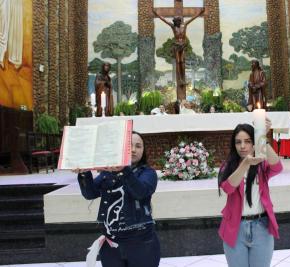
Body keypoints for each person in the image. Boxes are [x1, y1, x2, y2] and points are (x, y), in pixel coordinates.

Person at [74, 131, 160, 267]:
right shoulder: (106, 174)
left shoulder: (148, 173)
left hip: (141, 241)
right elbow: (90, 194)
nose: (133, 150)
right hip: (111, 242)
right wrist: (84, 173)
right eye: (128, 146)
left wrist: (123, 170)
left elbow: (140, 192)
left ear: (144, 150)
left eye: (138, 146)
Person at [218, 119, 283, 267]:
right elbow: (228, 188)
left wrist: (262, 137)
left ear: (253, 143)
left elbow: (277, 167)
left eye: (247, 141)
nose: (242, 146)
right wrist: (245, 163)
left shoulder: (261, 163)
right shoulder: (227, 166)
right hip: (236, 228)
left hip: (261, 226)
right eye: (238, 142)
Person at [153, 8, 205, 100]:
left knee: (182, 62)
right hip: (177, 46)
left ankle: (182, 79)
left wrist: (200, 13)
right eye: (175, 21)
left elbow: (192, 18)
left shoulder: (184, 25)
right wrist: (156, 14)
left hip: (183, 46)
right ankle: (180, 79)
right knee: (178, 62)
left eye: (177, 21)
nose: (176, 22)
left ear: (179, 21)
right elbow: (164, 20)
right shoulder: (173, 27)